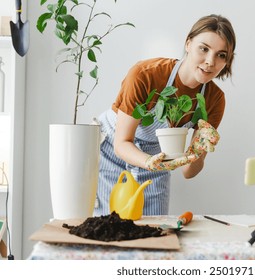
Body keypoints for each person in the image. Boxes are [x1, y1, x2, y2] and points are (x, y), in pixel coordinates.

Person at [94, 14, 236, 216]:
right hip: (111, 152)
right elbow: (121, 143)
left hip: (158, 159)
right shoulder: (146, 74)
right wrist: (149, 162)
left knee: (155, 229)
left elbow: (188, 172)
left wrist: (198, 152)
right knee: (111, 226)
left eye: (221, 55)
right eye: (204, 49)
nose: (210, 62)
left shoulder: (214, 99)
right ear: (188, 44)